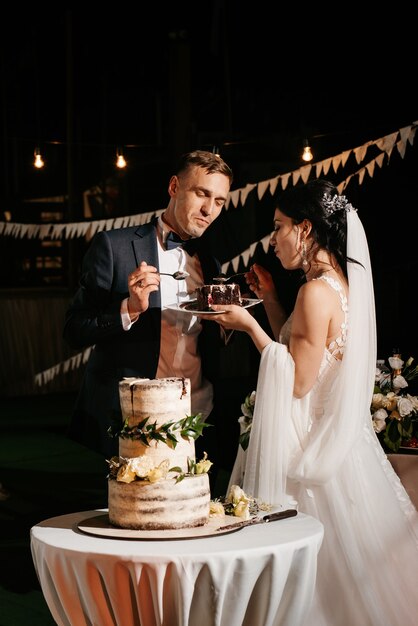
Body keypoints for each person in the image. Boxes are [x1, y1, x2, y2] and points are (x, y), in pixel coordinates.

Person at [198, 178, 418, 625]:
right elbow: (302, 349)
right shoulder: (336, 283)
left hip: (310, 448)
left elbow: (297, 381)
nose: (272, 238)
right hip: (344, 445)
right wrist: (273, 302)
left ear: (305, 228)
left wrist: (247, 326)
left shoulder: (315, 292)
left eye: (278, 227)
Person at [63, 150, 233, 475]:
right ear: (174, 187)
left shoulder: (210, 262)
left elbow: (209, 341)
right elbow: (74, 329)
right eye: (202, 193)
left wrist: (227, 325)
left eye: (220, 201)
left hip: (198, 415)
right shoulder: (114, 247)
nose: (209, 210)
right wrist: (129, 308)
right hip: (133, 418)